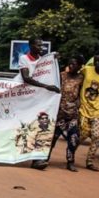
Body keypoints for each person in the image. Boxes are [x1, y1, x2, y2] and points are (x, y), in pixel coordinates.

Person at [18, 37, 61, 170]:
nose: (40, 47)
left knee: (42, 126)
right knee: (26, 127)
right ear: (30, 46)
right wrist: (46, 86)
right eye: (37, 45)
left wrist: (54, 62)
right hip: (26, 99)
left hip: (41, 100)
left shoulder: (44, 61)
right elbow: (26, 78)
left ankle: (38, 159)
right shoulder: (24, 59)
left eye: (41, 45)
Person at [47, 55, 84, 171]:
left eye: (74, 64)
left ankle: (70, 162)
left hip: (72, 114)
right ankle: (44, 158)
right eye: (70, 64)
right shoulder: (61, 76)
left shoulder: (81, 78)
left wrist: (79, 104)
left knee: (73, 139)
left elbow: (82, 94)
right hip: (59, 113)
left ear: (79, 66)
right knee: (53, 138)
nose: (71, 66)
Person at [78, 51, 99, 171]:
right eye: (95, 60)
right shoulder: (86, 69)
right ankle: (70, 154)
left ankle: (90, 161)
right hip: (83, 108)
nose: (97, 63)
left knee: (97, 136)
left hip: (97, 109)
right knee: (83, 135)